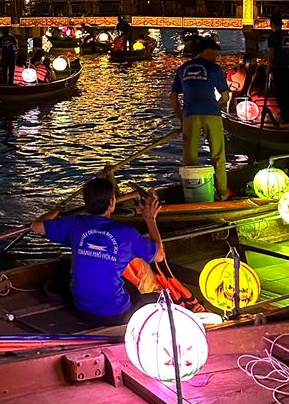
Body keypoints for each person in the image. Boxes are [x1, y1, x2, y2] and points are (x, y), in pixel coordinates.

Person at [31, 175, 164, 325]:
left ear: (86, 203)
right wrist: (150, 219)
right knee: (159, 297)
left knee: (124, 283)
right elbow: (159, 256)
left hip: (81, 308)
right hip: (115, 314)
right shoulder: (126, 233)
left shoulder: (75, 223)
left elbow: (36, 226)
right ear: (112, 203)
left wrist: (57, 210)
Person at [170, 36, 229, 201]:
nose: (215, 58)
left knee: (189, 158)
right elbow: (225, 96)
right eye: (214, 54)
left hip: (190, 115)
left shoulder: (183, 69)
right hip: (212, 114)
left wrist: (182, 119)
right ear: (205, 52)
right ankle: (222, 193)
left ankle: (191, 194)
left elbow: (173, 97)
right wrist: (217, 105)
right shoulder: (215, 69)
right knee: (218, 155)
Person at [268, 14, 289, 124]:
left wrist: (268, 68)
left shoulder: (273, 37)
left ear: (271, 24)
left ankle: (285, 116)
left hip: (279, 69)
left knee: (280, 93)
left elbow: (271, 54)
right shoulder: (287, 35)